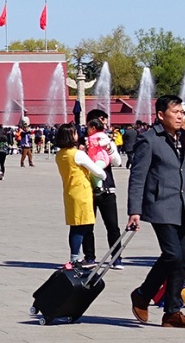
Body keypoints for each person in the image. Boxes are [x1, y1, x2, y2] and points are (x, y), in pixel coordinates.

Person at [126, 95, 185, 329]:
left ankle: (172, 313)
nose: (179, 115)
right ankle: (143, 294)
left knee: (183, 259)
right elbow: (138, 177)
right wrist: (134, 210)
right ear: (161, 115)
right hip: (160, 205)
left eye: (181, 111)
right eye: (175, 111)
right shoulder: (149, 140)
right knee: (173, 254)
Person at [53, 124, 105, 264]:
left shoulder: (60, 155)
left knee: (75, 225)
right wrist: (103, 174)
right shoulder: (77, 154)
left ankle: (75, 255)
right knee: (82, 226)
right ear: (71, 136)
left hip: (70, 191)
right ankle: (75, 257)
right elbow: (97, 171)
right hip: (82, 192)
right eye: (75, 133)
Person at [85, 110, 125, 267]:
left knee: (112, 226)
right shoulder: (84, 141)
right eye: (102, 120)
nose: (105, 124)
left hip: (108, 189)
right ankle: (89, 257)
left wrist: (109, 148)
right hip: (87, 188)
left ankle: (116, 257)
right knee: (87, 225)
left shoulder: (107, 140)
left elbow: (117, 162)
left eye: (105, 121)